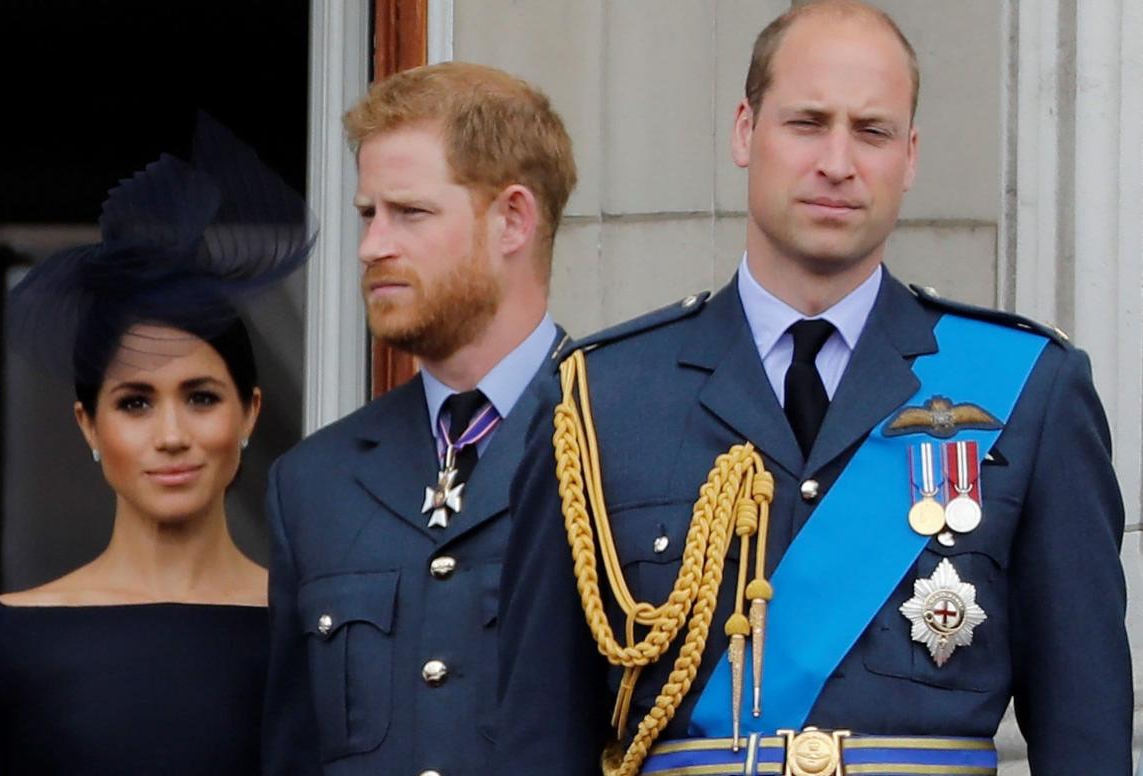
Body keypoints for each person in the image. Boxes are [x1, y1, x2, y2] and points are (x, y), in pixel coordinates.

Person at [494, 2, 1132, 775]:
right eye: (806, 123)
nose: (838, 161)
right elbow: (539, 740)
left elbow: (1086, 735)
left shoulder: (1029, 391)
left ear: (910, 156)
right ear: (744, 130)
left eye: (872, 131)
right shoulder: (600, 401)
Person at [0, 116, 315, 776]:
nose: (171, 436)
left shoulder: (313, 633)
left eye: (201, 397)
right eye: (135, 402)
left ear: (249, 412)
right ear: (88, 425)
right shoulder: (1, 641)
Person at [262, 61, 576, 776]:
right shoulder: (314, 483)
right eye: (369, 214)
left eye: (410, 213)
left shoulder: (624, 438)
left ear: (513, 220)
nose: (373, 246)